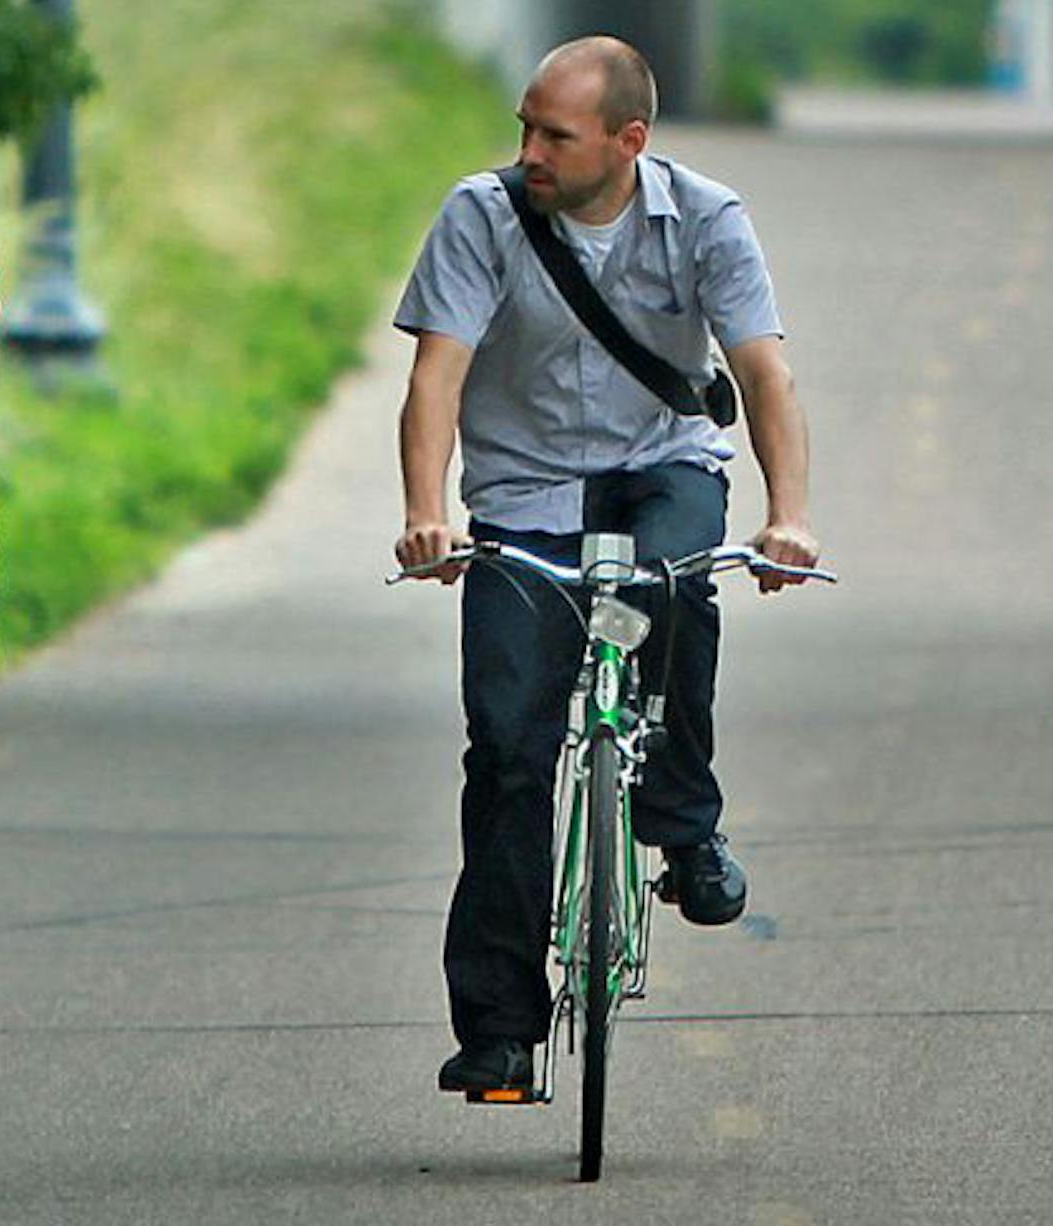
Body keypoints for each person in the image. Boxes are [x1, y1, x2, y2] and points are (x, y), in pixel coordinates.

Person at [391, 36, 821, 1094]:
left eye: (556, 134)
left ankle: (682, 823)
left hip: (657, 465)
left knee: (676, 589)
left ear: (630, 142)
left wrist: (789, 517)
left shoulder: (707, 218)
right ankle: (497, 1027)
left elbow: (764, 374)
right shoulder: (481, 216)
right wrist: (424, 514)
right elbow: (436, 378)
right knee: (505, 748)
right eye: (526, 126)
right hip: (525, 495)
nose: (529, 149)